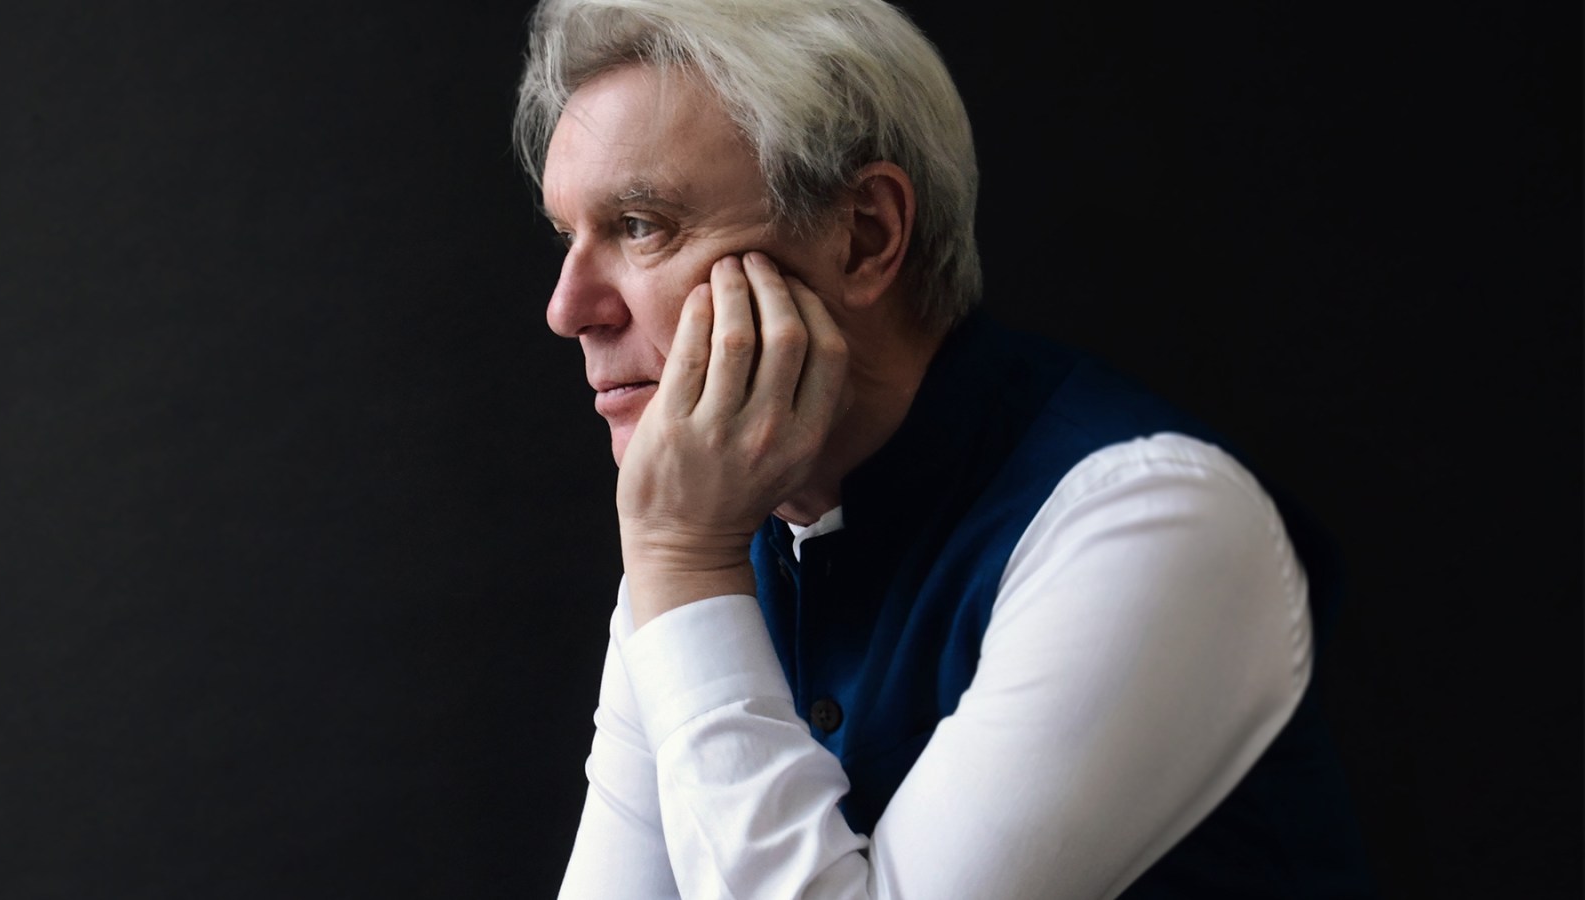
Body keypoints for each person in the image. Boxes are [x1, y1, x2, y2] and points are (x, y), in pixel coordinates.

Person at [513, 0, 1375, 896]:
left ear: (866, 236)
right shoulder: (700, 542)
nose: (568, 309)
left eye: (641, 225)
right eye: (569, 237)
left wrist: (683, 562)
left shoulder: (1152, 521)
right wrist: (683, 564)